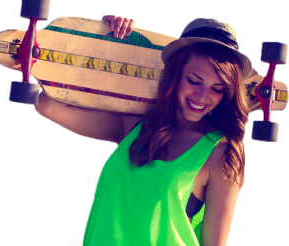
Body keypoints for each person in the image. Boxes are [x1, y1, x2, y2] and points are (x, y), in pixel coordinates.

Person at [34, 15, 253, 246]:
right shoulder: (135, 127)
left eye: (217, 89)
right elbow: (46, 105)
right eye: (194, 80)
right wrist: (105, 37)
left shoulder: (221, 153)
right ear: (174, 74)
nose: (202, 96)